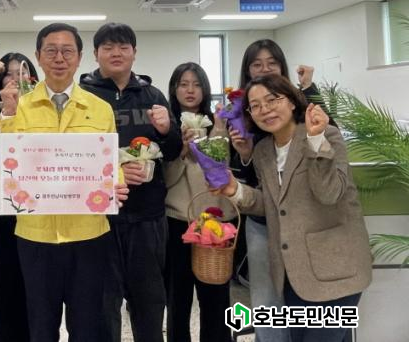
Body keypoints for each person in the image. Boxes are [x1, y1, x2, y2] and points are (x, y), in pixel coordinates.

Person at [0, 22, 128, 342]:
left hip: (89, 235)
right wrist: (7, 116)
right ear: (38, 56)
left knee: (87, 327)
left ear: (79, 58)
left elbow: (109, 162)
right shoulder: (18, 107)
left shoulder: (100, 109)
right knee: (40, 327)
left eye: (67, 51)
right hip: (35, 237)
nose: (59, 58)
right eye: (51, 51)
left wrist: (116, 184)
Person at [215, 74, 372, 342]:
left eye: (272, 100)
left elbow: (330, 193)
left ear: (291, 101)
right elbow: (273, 206)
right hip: (292, 273)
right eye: (255, 106)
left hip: (337, 271)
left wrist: (315, 140)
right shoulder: (263, 151)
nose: (265, 109)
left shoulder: (327, 135)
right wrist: (234, 190)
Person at [79, 22, 181, 342]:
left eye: (123, 47)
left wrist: (167, 130)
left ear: (134, 53)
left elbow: (173, 152)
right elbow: (70, 153)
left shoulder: (152, 96)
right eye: (108, 47)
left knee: (149, 300)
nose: (116, 53)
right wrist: (116, 168)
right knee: (102, 302)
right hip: (97, 218)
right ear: (95, 54)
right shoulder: (81, 96)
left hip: (147, 215)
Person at [232, 39, 330, 342]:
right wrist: (245, 154)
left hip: (306, 219)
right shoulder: (242, 111)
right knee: (267, 294)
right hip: (263, 218)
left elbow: (327, 138)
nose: (264, 69)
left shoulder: (297, 104)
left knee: (306, 293)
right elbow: (244, 174)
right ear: (247, 70)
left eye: (271, 63)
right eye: (256, 64)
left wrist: (309, 88)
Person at [163, 62, 232, 342]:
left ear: (205, 89)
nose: (190, 90)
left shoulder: (218, 123)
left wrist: (218, 132)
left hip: (215, 223)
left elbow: (222, 171)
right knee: (177, 301)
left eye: (196, 84)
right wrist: (180, 149)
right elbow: (164, 181)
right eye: (183, 84)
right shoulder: (166, 127)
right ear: (174, 89)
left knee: (216, 300)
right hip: (177, 221)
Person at [0, 52, 38, 342]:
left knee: (35, 291)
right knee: (5, 288)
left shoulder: (41, 110)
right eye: (8, 73)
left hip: (37, 214)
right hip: (2, 215)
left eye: (22, 73)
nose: (15, 79)